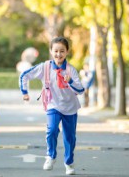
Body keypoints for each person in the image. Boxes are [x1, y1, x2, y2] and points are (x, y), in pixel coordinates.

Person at [19, 37, 84, 175]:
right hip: (52, 105)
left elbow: (81, 90)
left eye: (62, 51)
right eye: (56, 51)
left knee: (69, 137)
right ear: (51, 51)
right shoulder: (45, 67)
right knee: (52, 130)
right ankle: (51, 155)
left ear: (67, 52)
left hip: (70, 107)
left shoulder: (71, 70)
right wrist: (24, 92)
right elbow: (24, 75)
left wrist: (71, 81)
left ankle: (69, 162)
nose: (58, 54)